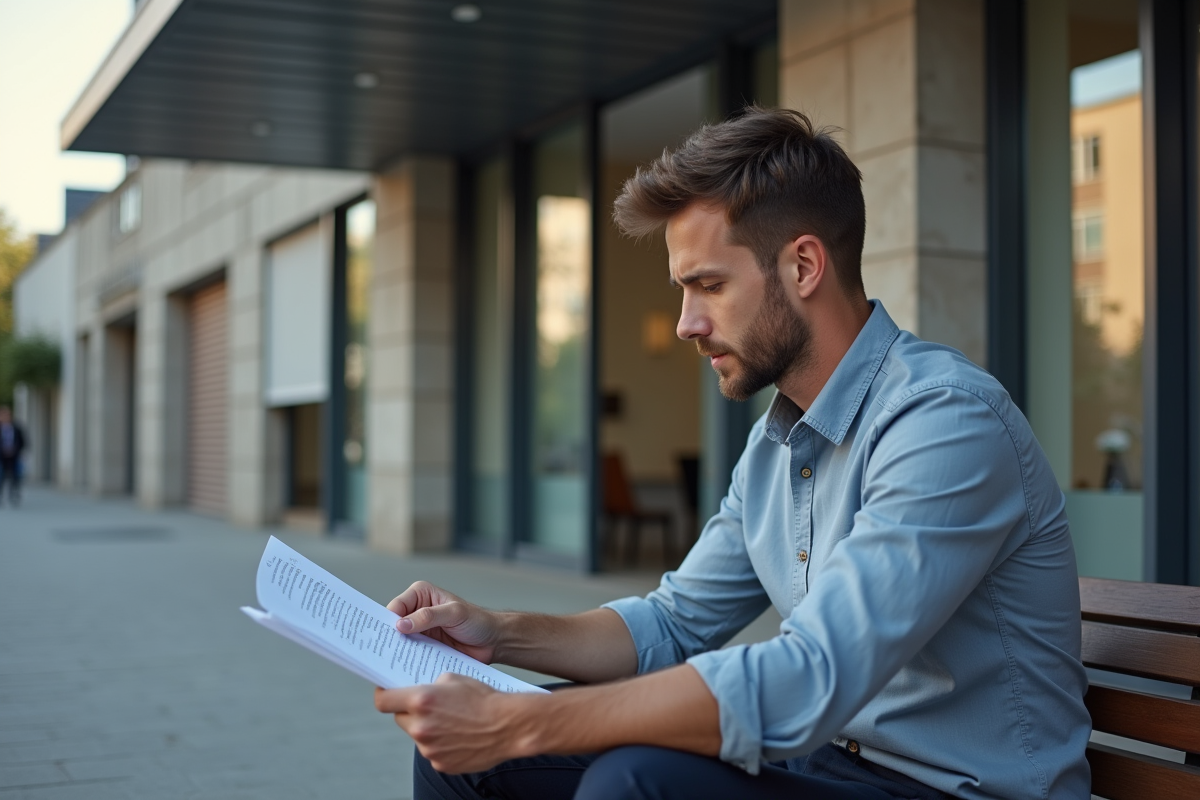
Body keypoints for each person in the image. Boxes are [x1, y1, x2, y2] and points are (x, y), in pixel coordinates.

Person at [374, 108, 1091, 800]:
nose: (687, 323)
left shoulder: (944, 421)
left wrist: (522, 721)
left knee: (633, 782)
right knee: (465, 765)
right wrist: (497, 635)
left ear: (803, 265)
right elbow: (673, 624)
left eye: (708, 285)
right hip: (830, 767)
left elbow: (810, 676)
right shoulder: (779, 441)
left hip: (951, 788)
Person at [0, 405, 27, 507]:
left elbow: (23, 442)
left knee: (16, 476)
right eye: (3, 415)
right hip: (1, 456)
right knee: (1, 476)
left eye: (7, 415)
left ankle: (14, 494)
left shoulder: (17, 428)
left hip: (14, 456)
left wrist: (15, 450)